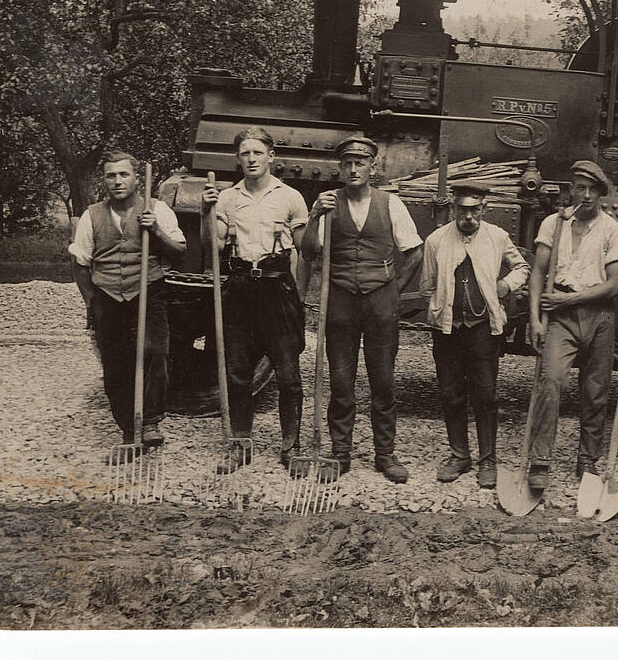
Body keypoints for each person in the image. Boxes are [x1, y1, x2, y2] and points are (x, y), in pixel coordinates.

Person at [302, 135, 423, 483]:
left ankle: (385, 454)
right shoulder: (327, 203)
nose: (354, 169)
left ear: (373, 167)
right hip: (339, 298)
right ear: (340, 168)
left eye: (361, 163)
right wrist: (314, 216)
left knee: (383, 380)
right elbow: (310, 251)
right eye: (347, 163)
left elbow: (414, 252)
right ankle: (341, 453)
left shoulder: (390, 204)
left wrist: (395, 291)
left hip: (380, 301)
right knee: (341, 380)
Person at [201, 127, 310, 474]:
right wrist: (207, 213)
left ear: (271, 156)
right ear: (237, 158)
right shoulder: (226, 198)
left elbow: (308, 250)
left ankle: (291, 447)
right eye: (245, 154)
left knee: (289, 374)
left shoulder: (291, 196)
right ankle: (239, 444)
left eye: (258, 153)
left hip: (277, 288)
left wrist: (301, 296)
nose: (251, 159)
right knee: (237, 372)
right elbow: (214, 247)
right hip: (239, 288)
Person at [71, 151, 186, 459]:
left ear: (136, 178)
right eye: (111, 175)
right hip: (107, 296)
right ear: (104, 180)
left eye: (123, 174)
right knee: (116, 364)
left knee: (154, 352)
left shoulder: (157, 209)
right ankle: (128, 429)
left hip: (149, 291)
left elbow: (179, 252)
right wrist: (91, 301)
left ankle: (150, 422)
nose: (117, 181)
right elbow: (81, 263)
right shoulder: (92, 215)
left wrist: (156, 231)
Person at [420, 181, 530, 489]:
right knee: (450, 393)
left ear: (484, 209)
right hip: (447, 330)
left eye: (475, 210)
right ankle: (459, 455)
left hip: (483, 330)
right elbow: (428, 282)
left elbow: (522, 267)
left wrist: (506, 285)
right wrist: (440, 305)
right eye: (463, 210)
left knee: (486, 395)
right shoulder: (437, 240)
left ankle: (488, 460)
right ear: (454, 209)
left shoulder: (497, 237)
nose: (468, 217)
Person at [527, 161, 618, 491]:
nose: (584, 195)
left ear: (600, 194)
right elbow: (538, 274)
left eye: (591, 189)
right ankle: (540, 461)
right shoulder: (553, 224)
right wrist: (536, 320)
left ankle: (587, 461)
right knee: (551, 381)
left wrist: (567, 301)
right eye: (578, 188)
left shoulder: (611, 229)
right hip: (560, 319)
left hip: (598, 316)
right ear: (571, 190)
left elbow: (613, 285)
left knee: (595, 391)